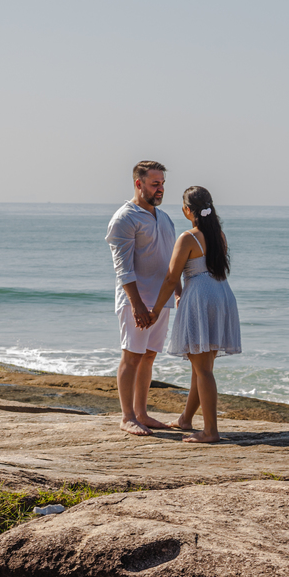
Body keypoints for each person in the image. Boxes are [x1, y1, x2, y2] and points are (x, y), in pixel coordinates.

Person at [147, 186, 240, 443]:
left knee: (203, 370)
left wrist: (155, 310)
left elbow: (170, 278)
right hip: (222, 295)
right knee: (201, 367)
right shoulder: (219, 235)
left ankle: (211, 431)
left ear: (187, 210)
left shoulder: (188, 238)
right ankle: (186, 419)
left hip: (200, 297)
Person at [105, 161, 177, 436]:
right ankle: (127, 417)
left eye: (162, 184)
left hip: (161, 302)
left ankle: (142, 413)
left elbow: (170, 263)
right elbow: (123, 268)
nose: (160, 190)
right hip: (136, 300)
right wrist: (136, 305)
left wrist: (179, 292)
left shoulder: (165, 219)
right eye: (154, 184)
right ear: (139, 184)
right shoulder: (125, 218)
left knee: (148, 357)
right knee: (132, 356)